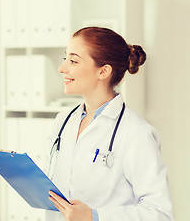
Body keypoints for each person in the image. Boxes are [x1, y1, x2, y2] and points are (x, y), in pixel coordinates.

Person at [46, 27, 173, 221]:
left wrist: (95, 216)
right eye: (65, 59)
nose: (62, 68)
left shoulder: (136, 133)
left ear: (103, 71)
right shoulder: (63, 121)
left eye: (73, 61)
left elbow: (159, 213)